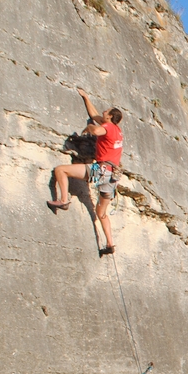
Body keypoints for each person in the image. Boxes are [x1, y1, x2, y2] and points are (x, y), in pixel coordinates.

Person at [48, 88, 124, 256]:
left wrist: (88, 127)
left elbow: (96, 129)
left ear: (110, 117)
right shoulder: (116, 129)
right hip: (112, 177)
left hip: (101, 170)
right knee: (101, 213)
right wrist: (86, 97)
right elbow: (96, 114)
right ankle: (110, 243)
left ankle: (62, 200)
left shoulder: (108, 128)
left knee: (61, 170)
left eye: (107, 111)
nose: (103, 111)